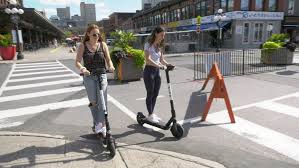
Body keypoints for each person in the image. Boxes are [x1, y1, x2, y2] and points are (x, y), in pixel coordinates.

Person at [75, 24, 115, 136]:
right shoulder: (83, 46)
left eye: (98, 34)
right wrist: (82, 68)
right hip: (89, 76)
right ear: (88, 34)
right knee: (94, 102)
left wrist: (111, 66)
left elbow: (108, 59)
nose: (97, 36)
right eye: (94, 34)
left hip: (102, 75)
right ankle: (97, 123)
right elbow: (77, 61)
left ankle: (101, 124)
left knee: (103, 102)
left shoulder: (103, 45)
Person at [143, 26, 173, 123]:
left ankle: (152, 113)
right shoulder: (148, 44)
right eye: (161, 35)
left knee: (155, 94)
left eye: (164, 35)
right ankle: (150, 114)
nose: (163, 37)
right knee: (150, 93)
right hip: (149, 71)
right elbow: (148, 60)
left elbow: (161, 60)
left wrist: (168, 64)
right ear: (156, 33)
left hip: (157, 72)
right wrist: (158, 66)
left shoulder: (159, 46)